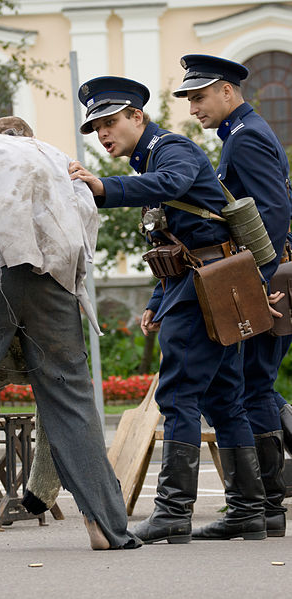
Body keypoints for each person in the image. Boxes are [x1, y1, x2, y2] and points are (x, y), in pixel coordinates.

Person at [0, 115, 141, 552]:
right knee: (71, 399)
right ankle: (102, 526)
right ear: (28, 138)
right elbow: (85, 218)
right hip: (51, 282)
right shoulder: (57, 158)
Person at [70, 76, 270, 544]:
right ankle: (249, 512)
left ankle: (174, 512)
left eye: (110, 122)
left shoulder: (169, 149)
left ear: (136, 116)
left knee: (179, 395)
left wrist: (105, 187)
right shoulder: (153, 155)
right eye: (96, 127)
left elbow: (173, 183)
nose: (103, 134)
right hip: (209, 281)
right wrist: (159, 301)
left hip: (204, 286)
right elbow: (172, 237)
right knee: (224, 397)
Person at [173, 55, 292, 538]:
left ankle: (267, 508)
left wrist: (258, 282)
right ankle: (265, 509)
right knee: (249, 387)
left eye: (199, 97)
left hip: (268, 277)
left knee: (252, 389)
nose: (194, 108)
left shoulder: (246, 138)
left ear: (227, 90)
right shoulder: (243, 133)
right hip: (268, 272)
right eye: (189, 100)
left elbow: (275, 209)